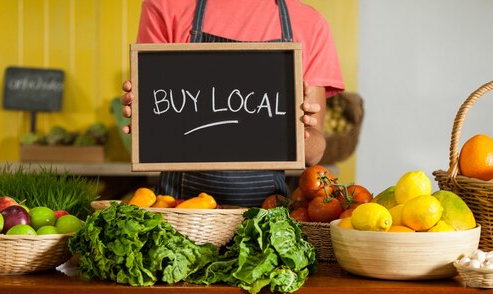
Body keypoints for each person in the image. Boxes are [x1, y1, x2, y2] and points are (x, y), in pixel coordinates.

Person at [121, 0, 344, 207]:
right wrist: (146, 124)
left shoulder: (309, 23)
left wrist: (296, 135)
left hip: (266, 222)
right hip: (180, 215)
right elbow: (159, 127)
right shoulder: (165, 6)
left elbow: (313, 153)